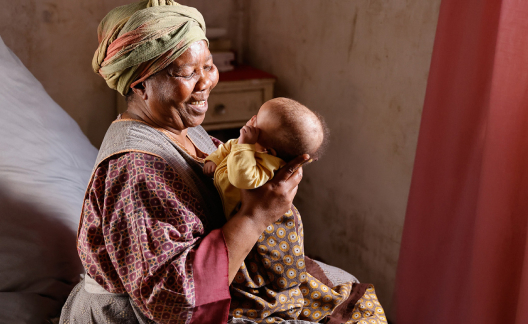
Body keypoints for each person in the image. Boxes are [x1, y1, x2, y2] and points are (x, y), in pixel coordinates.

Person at [59, 1, 388, 323]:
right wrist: (256, 215)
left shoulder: (189, 130)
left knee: (356, 305)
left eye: (209, 66)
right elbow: (174, 303)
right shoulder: (135, 171)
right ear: (141, 85)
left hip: (218, 286)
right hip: (151, 314)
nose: (206, 83)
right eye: (188, 72)